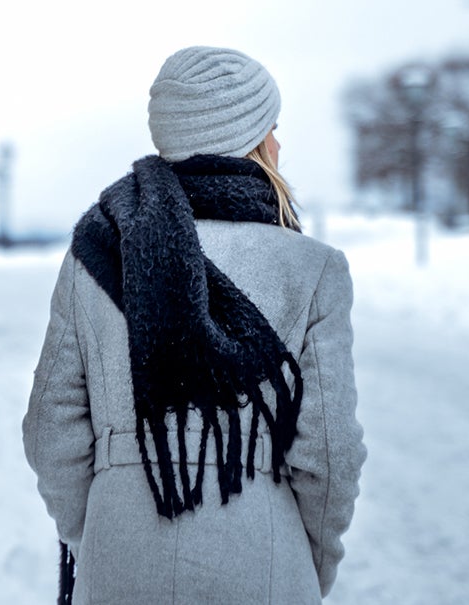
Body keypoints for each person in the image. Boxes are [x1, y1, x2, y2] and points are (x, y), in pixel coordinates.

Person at [23, 46, 365, 603]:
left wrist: (98, 533)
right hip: (264, 561)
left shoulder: (98, 250)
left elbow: (49, 429)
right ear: (247, 136)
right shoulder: (312, 268)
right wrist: (308, 564)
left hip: (120, 563)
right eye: (271, 127)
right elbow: (330, 453)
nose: (279, 144)